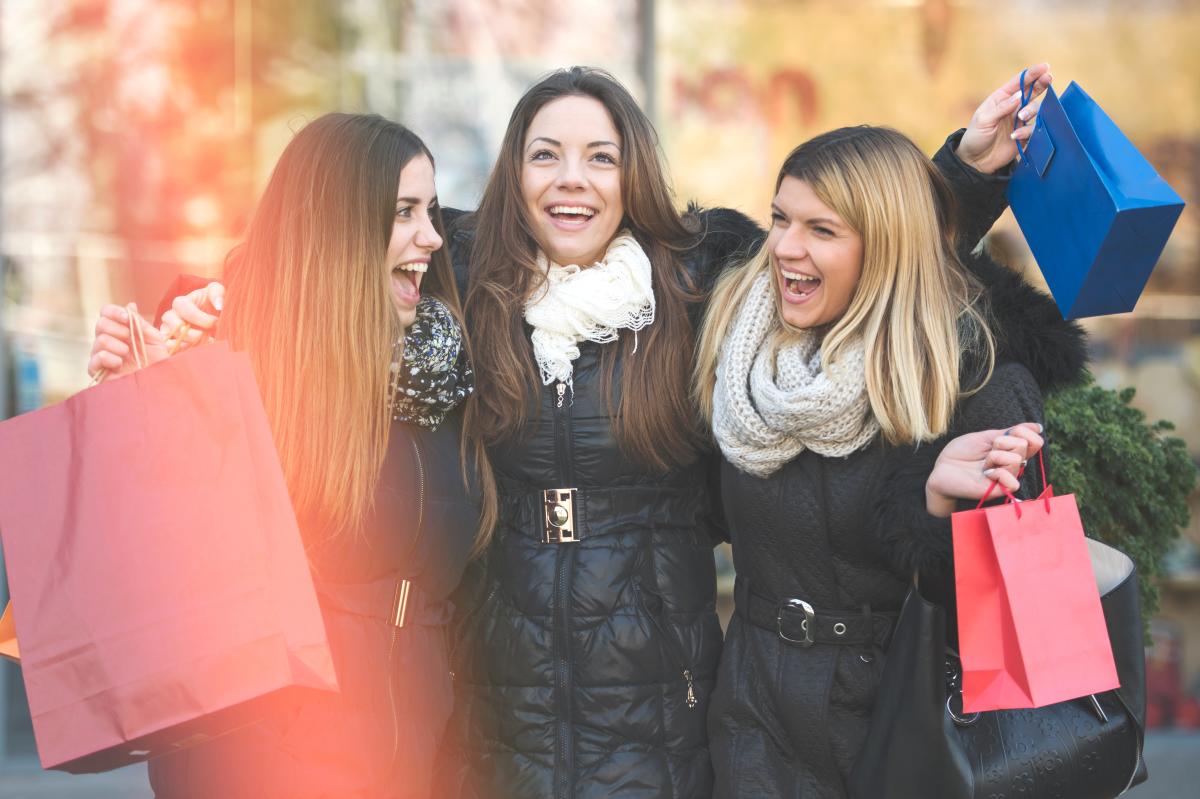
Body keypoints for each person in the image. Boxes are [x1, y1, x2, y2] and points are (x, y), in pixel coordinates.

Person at [155, 64, 1054, 798]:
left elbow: (855, 243)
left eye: (599, 156)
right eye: (545, 154)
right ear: (515, 173)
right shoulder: (461, 274)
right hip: (495, 698)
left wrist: (965, 177)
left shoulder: (704, 281)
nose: (571, 179)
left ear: (635, 175)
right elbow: (327, 254)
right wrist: (203, 313)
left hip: (662, 701)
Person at [87, 113, 480, 799]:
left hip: (419, 764)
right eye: (404, 213)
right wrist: (138, 405)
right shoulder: (230, 364)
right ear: (337, 228)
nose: (432, 237)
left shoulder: (442, 371)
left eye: (432, 210)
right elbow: (160, 572)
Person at [693, 125, 1087, 798]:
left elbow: (1036, 628)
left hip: (910, 733)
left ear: (886, 249)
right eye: (781, 218)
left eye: (822, 228)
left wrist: (940, 512)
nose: (784, 247)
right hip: (754, 725)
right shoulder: (743, 360)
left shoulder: (977, 378)